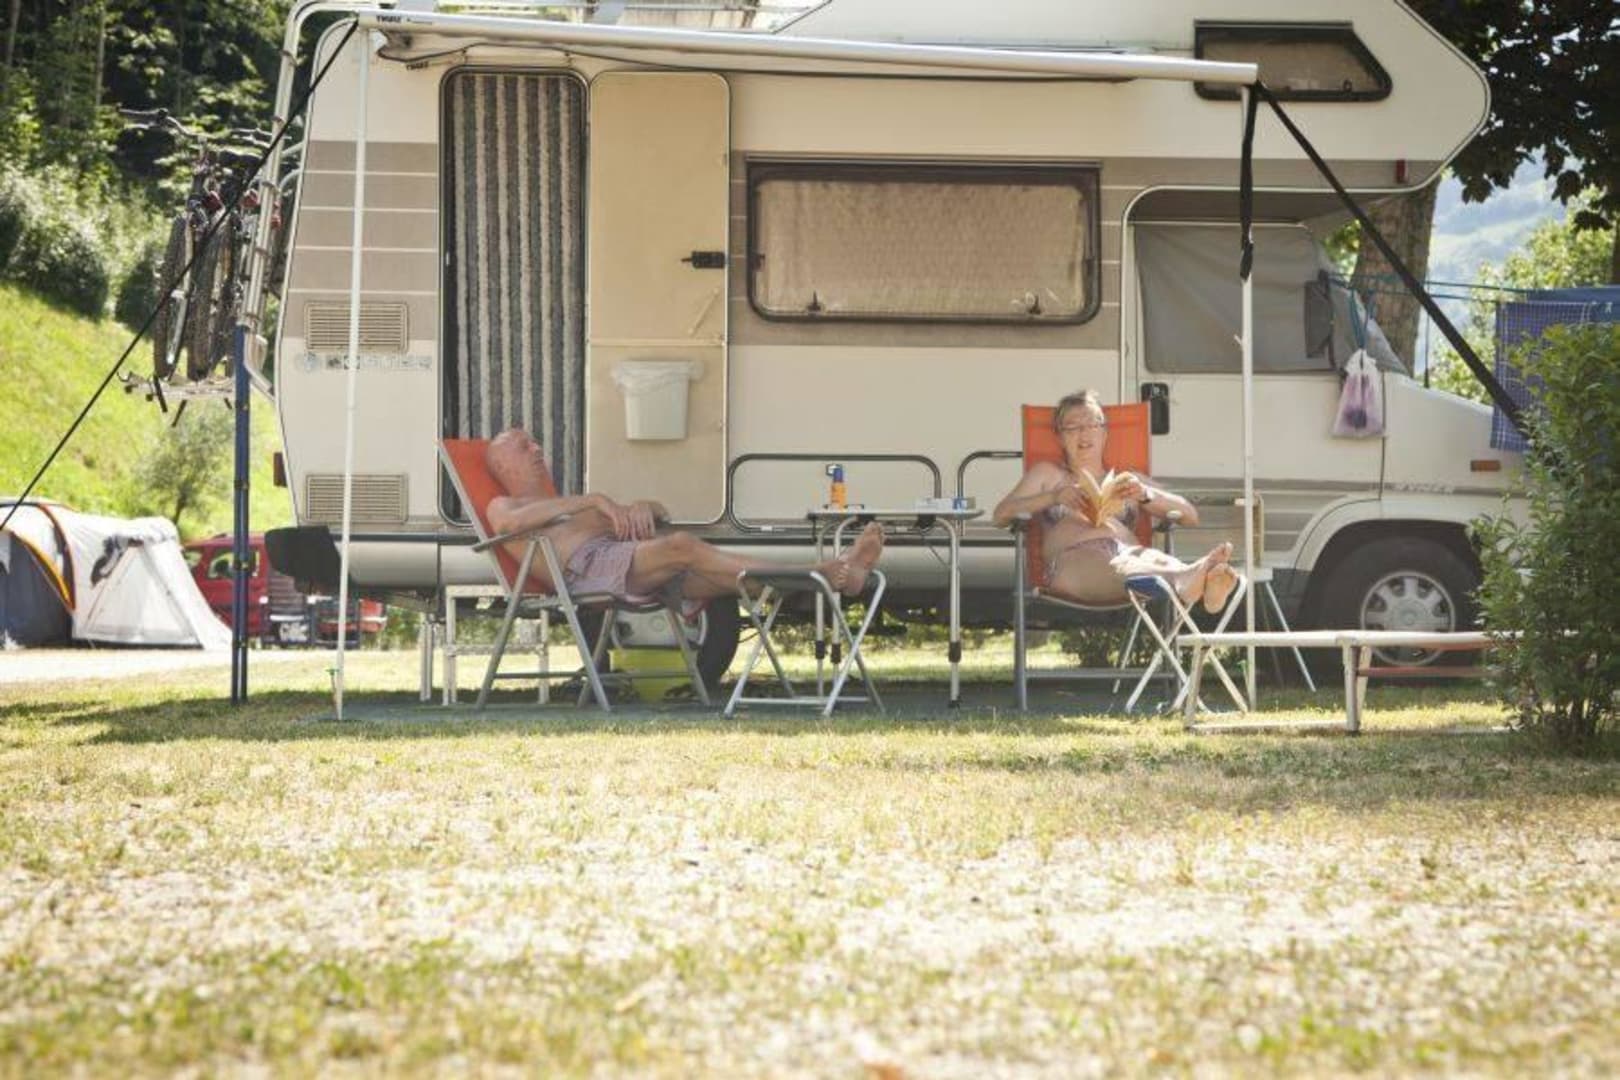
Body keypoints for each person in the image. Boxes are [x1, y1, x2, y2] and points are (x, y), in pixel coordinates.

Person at [484, 428, 884, 602]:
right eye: (524, 446)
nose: (537, 449)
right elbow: (507, 526)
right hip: (586, 574)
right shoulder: (505, 506)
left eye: (535, 443)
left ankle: (836, 579)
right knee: (681, 546)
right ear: (502, 465)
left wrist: (644, 507)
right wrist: (592, 500)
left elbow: (659, 511)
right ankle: (820, 572)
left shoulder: (568, 502)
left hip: (622, 562)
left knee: (733, 583)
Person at [991, 389, 1238, 612]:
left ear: (1104, 433)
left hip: (1129, 552)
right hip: (1074, 562)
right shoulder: (1049, 475)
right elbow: (1000, 515)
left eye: (1092, 424)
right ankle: (1190, 578)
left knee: (1148, 558)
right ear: (1060, 437)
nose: (1084, 433)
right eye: (1073, 427)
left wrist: (1145, 494)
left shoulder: (1127, 479)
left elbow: (1189, 515)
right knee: (1118, 564)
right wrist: (1053, 497)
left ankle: (1189, 576)